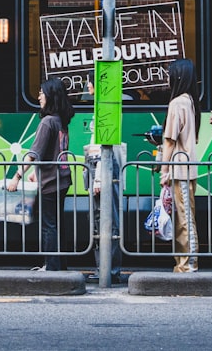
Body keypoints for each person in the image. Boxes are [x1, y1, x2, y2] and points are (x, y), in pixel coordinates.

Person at [8, 77, 73, 272]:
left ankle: (51, 267)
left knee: (48, 226)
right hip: (61, 178)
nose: (39, 97)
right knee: (57, 224)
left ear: (51, 96)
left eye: (42, 93)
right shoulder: (60, 120)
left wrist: (16, 177)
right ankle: (60, 265)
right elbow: (53, 151)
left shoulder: (47, 122)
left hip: (50, 181)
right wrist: (37, 173)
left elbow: (33, 154)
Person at [160, 59, 200, 273]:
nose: (167, 78)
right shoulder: (190, 101)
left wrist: (164, 169)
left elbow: (169, 140)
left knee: (183, 219)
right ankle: (184, 262)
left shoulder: (177, 103)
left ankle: (187, 264)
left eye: (169, 73)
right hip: (186, 168)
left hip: (179, 169)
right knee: (185, 217)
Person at [84, 82, 123, 284]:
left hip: (103, 169)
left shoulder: (104, 108)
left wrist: (98, 177)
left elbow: (102, 145)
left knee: (105, 219)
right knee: (104, 219)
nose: (87, 87)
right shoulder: (104, 105)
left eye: (89, 82)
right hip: (102, 168)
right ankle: (106, 268)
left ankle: (108, 270)